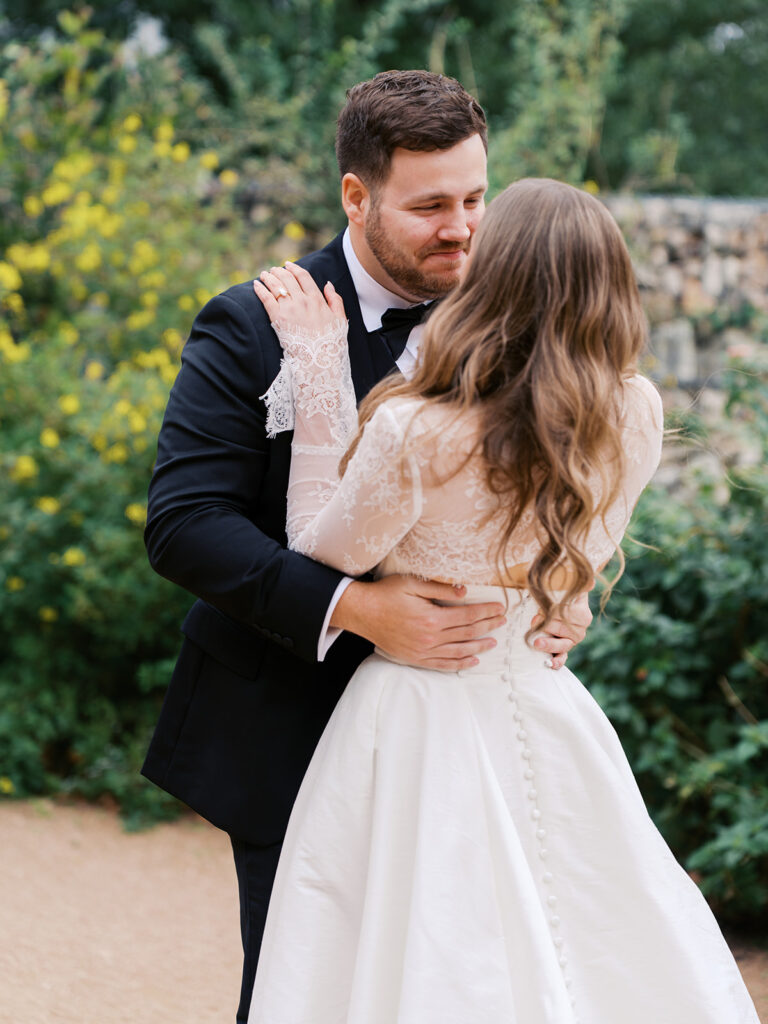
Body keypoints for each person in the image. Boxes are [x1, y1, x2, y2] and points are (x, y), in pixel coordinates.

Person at [247, 179, 760, 1023]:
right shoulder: (634, 411)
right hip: (549, 703)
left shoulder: (423, 428)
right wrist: (566, 601)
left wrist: (316, 372)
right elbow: (576, 564)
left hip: (416, 715)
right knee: (595, 940)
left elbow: (316, 549)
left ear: (494, 275)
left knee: (423, 949)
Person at [141, 71, 590, 1023]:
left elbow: (558, 490)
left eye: (475, 199)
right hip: (289, 724)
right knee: (306, 991)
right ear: (357, 195)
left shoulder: (518, 324)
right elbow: (185, 525)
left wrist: (561, 589)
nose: (463, 229)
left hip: (468, 731)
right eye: (429, 206)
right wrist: (356, 609)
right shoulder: (252, 326)